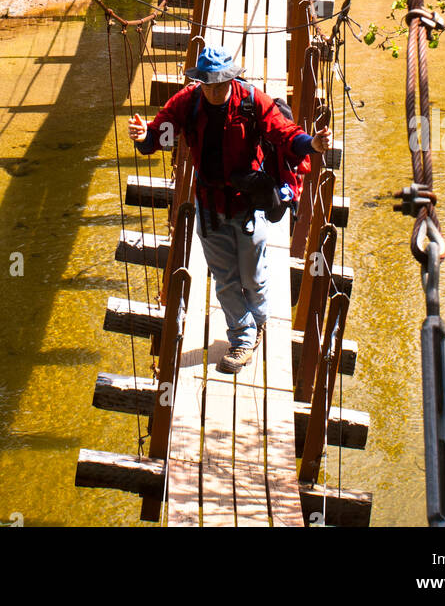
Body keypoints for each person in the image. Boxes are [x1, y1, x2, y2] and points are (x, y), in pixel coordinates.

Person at [128, 44, 331, 374]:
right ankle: (242, 338)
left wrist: (313, 144)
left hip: (248, 205)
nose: (216, 90)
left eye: (222, 83)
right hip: (209, 207)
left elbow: (285, 135)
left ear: (231, 79)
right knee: (225, 279)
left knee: (252, 277)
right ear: (201, 82)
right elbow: (160, 135)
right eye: (209, 83)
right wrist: (144, 136)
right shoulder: (187, 103)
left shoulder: (252, 101)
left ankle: (259, 320)